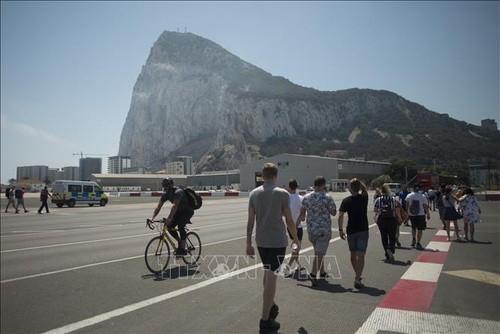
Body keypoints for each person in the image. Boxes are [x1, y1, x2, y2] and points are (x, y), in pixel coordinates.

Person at [246, 163, 300, 333]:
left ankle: (271, 306)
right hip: (277, 240)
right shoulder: (282, 194)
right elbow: (290, 221)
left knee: (268, 273)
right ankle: (265, 320)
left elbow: (250, 222)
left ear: (262, 176)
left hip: (261, 240)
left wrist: (248, 243)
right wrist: (296, 239)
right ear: (276, 176)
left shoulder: (253, 194)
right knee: (272, 275)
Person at [296, 176, 337, 286]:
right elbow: (333, 212)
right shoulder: (327, 197)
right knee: (320, 252)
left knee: (318, 251)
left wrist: (296, 226)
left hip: (311, 230)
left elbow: (302, 214)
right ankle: (314, 274)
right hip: (323, 230)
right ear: (323, 185)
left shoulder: (307, 197)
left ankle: (322, 272)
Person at [148, 178, 194, 256]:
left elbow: (174, 206)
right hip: (178, 212)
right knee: (169, 226)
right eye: (163, 186)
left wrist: (169, 218)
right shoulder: (165, 194)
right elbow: (158, 207)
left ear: (171, 185)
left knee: (180, 225)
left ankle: (182, 249)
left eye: (166, 186)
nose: (164, 188)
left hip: (187, 211)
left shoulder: (178, 191)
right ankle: (180, 241)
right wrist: (151, 217)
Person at [338, 178, 369, 289]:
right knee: (361, 255)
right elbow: (364, 188)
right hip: (363, 230)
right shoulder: (364, 198)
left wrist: (340, 230)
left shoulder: (346, 201)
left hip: (351, 230)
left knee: (353, 254)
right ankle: (357, 277)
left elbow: (340, 215)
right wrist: (358, 182)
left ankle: (357, 275)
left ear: (350, 189)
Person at [373, 184, 402, 261]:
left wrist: (375, 219)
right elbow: (397, 210)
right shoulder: (393, 199)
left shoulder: (378, 200)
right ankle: (390, 250)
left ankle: (386, 250)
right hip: (391, 219)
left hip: (382, 219)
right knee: (392, 236)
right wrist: (399, 218)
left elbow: (375, 211)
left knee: (384, 236)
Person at [284, 178, 304, 276]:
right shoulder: (301, 198)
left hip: (289, 225)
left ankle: (298, 265)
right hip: (298, 226)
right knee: (297, 247)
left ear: (289, 187)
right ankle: (288, 266)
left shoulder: (286, 199)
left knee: (296, 246)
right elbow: (303, 214)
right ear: (297, 187)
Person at [405, 183, 430, 249]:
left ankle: (413, 238)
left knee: (413, 227)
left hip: (412, 214)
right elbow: (425, 206)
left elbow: (407, 205)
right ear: (420, 189)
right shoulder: (422, 196)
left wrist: (407, 213)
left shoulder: (409, 195)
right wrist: (428, 213)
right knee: (420, 229)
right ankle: (418, 242)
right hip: (421, 214)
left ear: (413, 188)